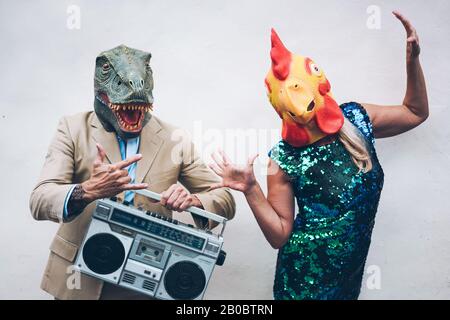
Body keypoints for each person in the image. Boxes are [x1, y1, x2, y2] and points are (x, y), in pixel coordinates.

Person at [208, 11, 428, 299]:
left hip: (347, 282)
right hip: (302, 284)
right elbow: (280, 234)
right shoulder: (284, 158)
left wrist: (412, 60)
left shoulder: (357, 119)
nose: (309, 121)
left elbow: (415, 112)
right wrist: (251, 190)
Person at [29, 45, 235, 300]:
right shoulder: (72, 129)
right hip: (81, 278)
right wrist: (88, 190)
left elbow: (224, 197)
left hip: (150, 279)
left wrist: (195, 201)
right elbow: (40, 199)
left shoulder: (175, 139)